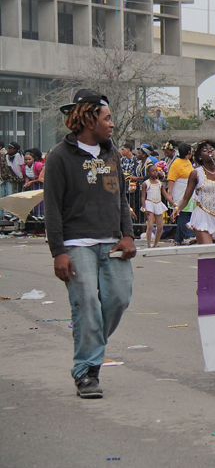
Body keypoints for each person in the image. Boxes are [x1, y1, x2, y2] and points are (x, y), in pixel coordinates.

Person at [44, 88, 136, 399]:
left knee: (119, 299)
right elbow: (53, 207)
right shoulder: (59, 157)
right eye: (107, 118)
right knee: (86, 307)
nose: (112, 124)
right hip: (76, 245)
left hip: (112, 243)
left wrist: (128, 234)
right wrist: (58, 251)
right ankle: (86, 370)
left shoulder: (111, 153)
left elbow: (121, 198)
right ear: (88, 119)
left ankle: (92, 350)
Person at [171, 140, 215, 245]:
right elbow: (186, 198)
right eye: (205, 150)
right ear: (200, 157)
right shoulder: (196, 174)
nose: (210, 152)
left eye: (212, 149)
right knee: (208, 251)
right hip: (203, 216)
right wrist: (178, 209)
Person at [166, 143, 196, 246]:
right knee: (183, 214)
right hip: (180, 191)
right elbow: (171, 179)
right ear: (188, 152)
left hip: (188, 190)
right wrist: (170, 193)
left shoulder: (188, 161)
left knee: (184, 214)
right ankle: (189, 235)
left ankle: (178, 238)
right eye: (191, 151)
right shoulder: (176, 163)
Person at [141, 162, 170, 248]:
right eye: (152, 171)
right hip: (149, 203)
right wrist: (144, 207)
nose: (154, 172)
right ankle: (149, 244)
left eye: (156, 171)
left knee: (160, 226)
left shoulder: (160, 183)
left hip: (158, 203)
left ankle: (155, 244)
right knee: (150, 225)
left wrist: (173, 203)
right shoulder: (146, 183)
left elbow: (165, 195)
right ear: (148, 173)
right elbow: (143, 197)